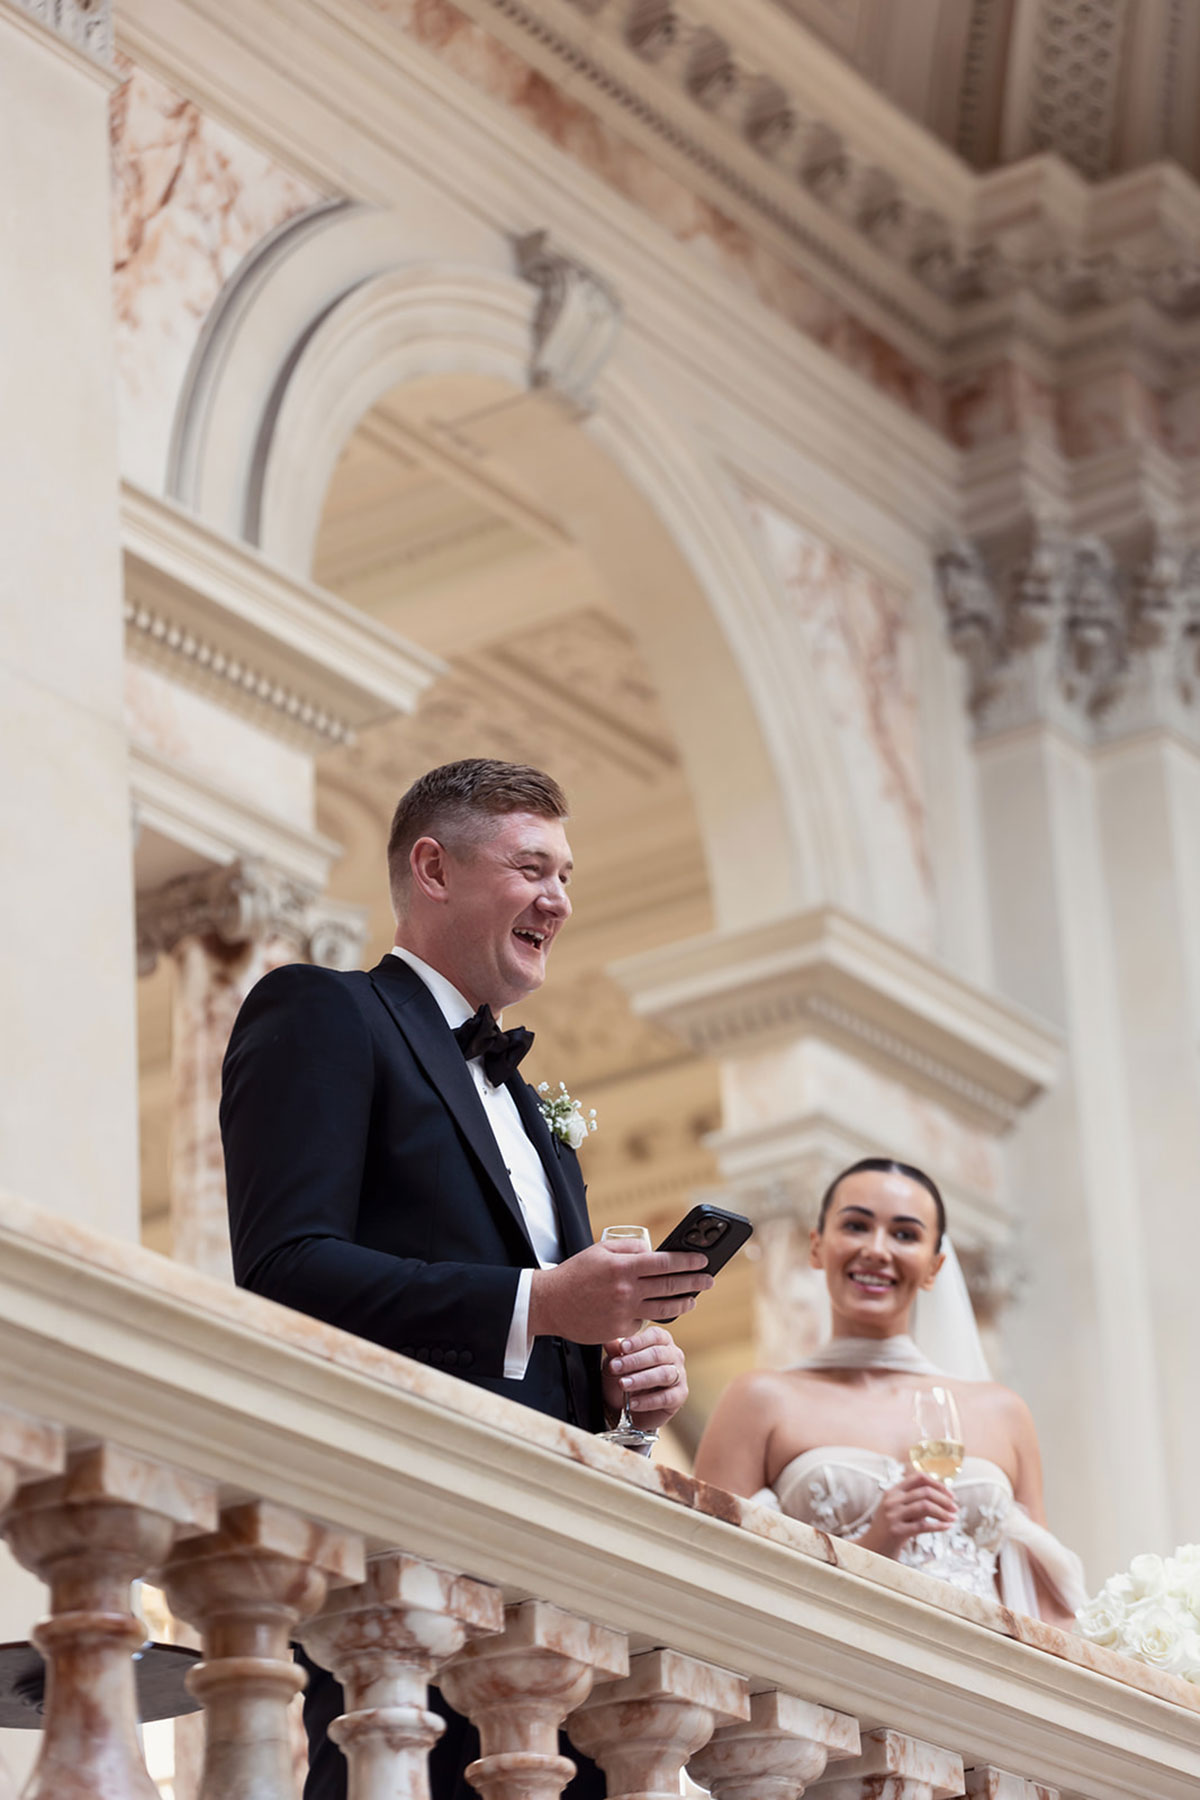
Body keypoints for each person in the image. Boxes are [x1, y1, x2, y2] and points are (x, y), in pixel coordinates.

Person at [221, 758, 713, 1800]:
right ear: (434, 868)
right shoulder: (324, 1012)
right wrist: (540, 1303)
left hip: (563, 1582)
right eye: (532, 868)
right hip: (408, 1540)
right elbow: (282, 1269)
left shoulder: (538, 1114)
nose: (559, 900)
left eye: (567, 877)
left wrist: (620, 1384)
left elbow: (548, 1355)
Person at [693, 1157, 1085, 1624]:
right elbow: (712, 1574)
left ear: (934, 1266)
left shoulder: (1002, 1412)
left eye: (904, 1234)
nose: (877, 1250)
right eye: (856, 1226)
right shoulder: (760, 1400)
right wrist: (873, 1544)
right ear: (817, 1247)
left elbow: (1044, 1606)